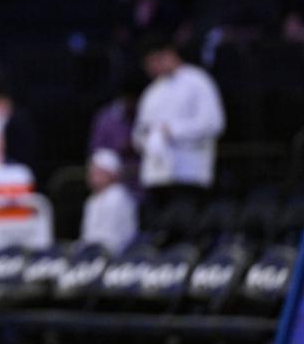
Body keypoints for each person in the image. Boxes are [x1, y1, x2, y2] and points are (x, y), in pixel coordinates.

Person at [132, 35, 225, 216]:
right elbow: (138, 133)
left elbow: (214, 123)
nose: (151, 70)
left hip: (189, 173)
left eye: (153, 62)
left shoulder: (198, 81)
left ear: (167, 55)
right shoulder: (151, 92)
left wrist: (172, 131)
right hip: (156, 176)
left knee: (186, 230)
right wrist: (149, 138)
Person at [80, 148, 138, 255]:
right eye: (92, 171)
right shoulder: (91, 200)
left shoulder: (118, 196)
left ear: (112, 174)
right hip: (92, 254)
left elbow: (116, 237)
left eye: (99, 172)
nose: (93, 176)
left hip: (115, 255)